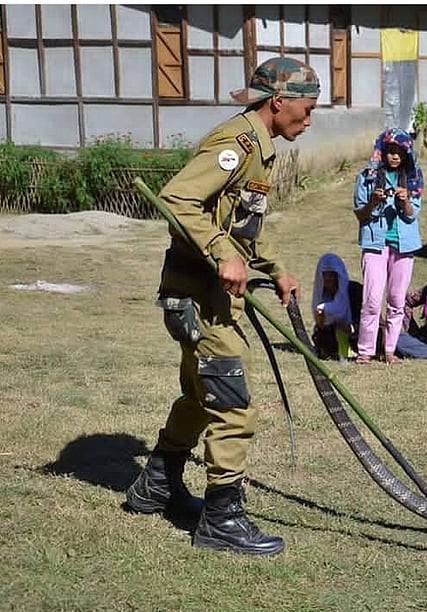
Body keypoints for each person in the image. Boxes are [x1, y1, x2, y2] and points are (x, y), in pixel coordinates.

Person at [125, 57, 321, 556]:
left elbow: (243, 223)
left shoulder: (262, 148)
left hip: (211, 298)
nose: (310, 117)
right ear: (279, 102)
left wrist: (275, 268)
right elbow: (178, 199)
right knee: (232, 400)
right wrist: (220, 251)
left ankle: (157, 486)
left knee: (200, 395)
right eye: (308, 106)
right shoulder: (236, 144)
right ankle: (222, 517)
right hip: (199, 297)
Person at [353, 128, 424, 364]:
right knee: (372, 299)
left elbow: (413, 214)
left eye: (399, 152)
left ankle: (390, 350)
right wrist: (374, 200)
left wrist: (404, 203)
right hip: (375, 244)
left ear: (406, 155)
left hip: (403, 247)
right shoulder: (367, 176)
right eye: (390, 151)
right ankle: (366, 351)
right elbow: (360, 215)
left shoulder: (413, 177)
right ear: (381, 152)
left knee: (396, 300)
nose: (394, 156)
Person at [311, 253, 361, 361]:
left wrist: (350, 328)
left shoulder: (355, 291)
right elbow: (321, 330)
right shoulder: (324, 296)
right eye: (325, 275)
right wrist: (321, 323)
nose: (328, 278)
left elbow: (366, 321)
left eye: (332, 275)